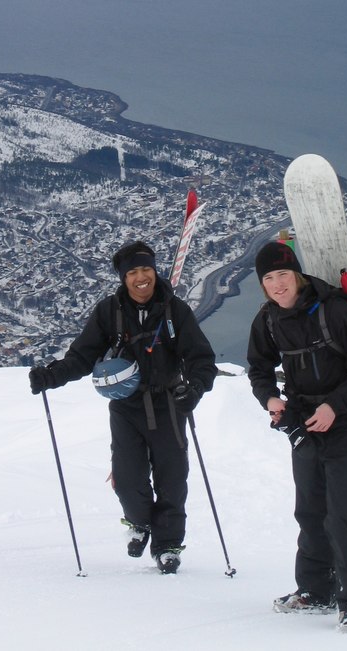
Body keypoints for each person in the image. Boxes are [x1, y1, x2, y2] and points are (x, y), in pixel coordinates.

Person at [29, 239, 217, 574]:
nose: (141, 277)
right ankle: (140, 521)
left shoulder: (176, 311)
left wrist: (196, 389)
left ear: (154, 269)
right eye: (132, 272)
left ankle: (167, 544)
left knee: (172, 478)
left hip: (169, 403)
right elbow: (82, 356)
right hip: (126, 406)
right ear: (122, 277)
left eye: (146, 269)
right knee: (129, 480)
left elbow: (201, 358)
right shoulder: (109, 312)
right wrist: (51, 377)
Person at [247, 240, 347, 634]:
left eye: (283, 275)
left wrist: (335, 407)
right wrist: (269, 398)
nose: (277, 285)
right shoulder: (268, 320)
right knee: (310, 512)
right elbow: (258, 369)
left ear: (298, 275)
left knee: (344, 516)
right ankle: (314, 590)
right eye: (268, 278)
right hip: (303, 426)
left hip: (344, 425)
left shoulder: (334, 311)